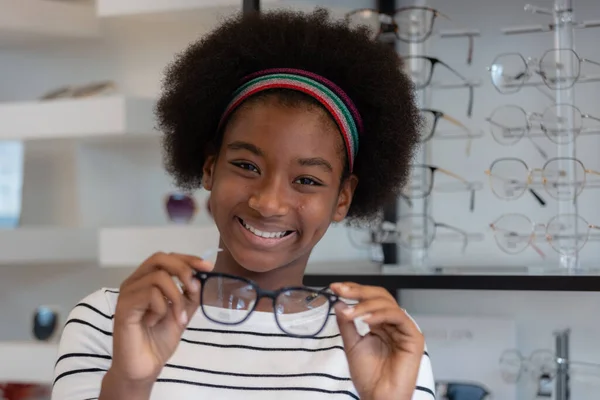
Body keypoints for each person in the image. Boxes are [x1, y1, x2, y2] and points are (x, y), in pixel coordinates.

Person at [51, 8, 434, 400]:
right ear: (210, 169)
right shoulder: (111, 320)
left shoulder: (385, 342)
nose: (268, 203)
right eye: (247, 166)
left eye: (307, 180)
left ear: (343, 198)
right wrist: (130, 384)